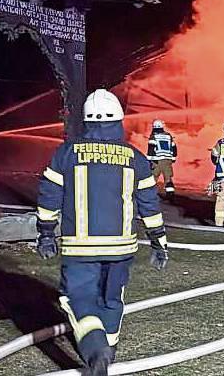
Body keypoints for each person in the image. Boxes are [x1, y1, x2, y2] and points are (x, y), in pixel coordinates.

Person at [36, 89, 169, 376]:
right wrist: (159, 242)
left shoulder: (67, 153)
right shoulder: (135, 157)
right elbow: (149, 204)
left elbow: (49, 194)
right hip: (122, 248)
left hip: (80, 247)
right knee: (111, 299)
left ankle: (97, 352)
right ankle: (108, 351)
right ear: (119, 121)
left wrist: (46, 231)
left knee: (79, 298)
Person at [146, 119, 177, 196]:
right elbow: (174, 147)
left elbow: (151, 149)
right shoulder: (168, 136)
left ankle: (150, 194)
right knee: (168, 178)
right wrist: (173, 158)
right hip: (167, 160)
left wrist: (149, 160)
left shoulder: (153, 136)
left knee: (153, 177)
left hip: (157, 161)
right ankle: (170, 194)